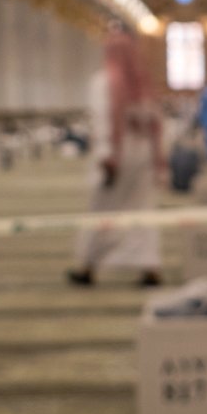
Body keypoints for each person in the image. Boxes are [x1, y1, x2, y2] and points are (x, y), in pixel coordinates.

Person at [67, 30, 165, 287]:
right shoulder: (142, 84)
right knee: (142, 209)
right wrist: (159, 161)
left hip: (115, 156)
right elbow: (155, 124)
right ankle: (149, 267)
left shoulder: (104, 82)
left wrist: (108, 156)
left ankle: (87, 266)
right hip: (142, 154)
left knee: (101, 210)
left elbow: (104, 124)